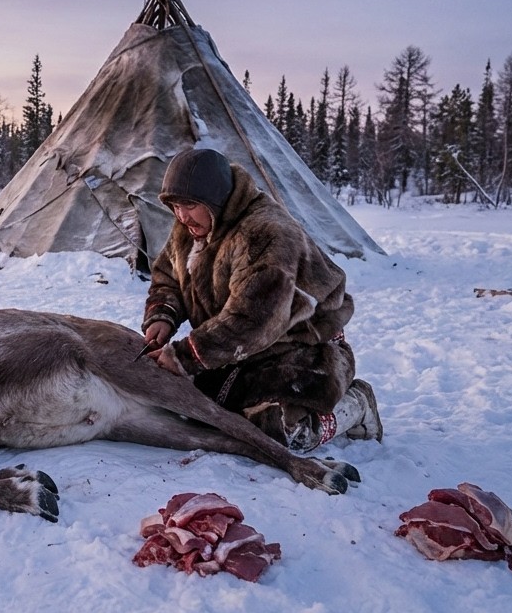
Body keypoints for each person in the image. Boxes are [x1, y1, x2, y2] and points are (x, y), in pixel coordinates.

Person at [141, 147, 382, 452]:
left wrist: (186, 355)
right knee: (197, 413)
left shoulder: (266, 234)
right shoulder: (193, 227)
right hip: (237, 350)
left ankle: (357, 403)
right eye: (174, 205)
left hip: (302, 348)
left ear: (217, 199)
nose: (181, 215)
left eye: (189, 205)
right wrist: (162, 315)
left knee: (279, 432)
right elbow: (168, 277)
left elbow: (253, 317)